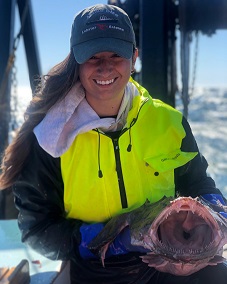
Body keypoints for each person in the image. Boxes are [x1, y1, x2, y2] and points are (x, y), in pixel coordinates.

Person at [0, 3, 227, 283]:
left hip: (172, 261)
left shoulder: (170, 122)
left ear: (133, 57)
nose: (105, 66)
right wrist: (109, 240)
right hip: (96, 271)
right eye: (93, 55)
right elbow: (37, 230)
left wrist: (216, 214)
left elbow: (200, 184)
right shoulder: (49, 139)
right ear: (77, 61)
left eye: (116, 54)